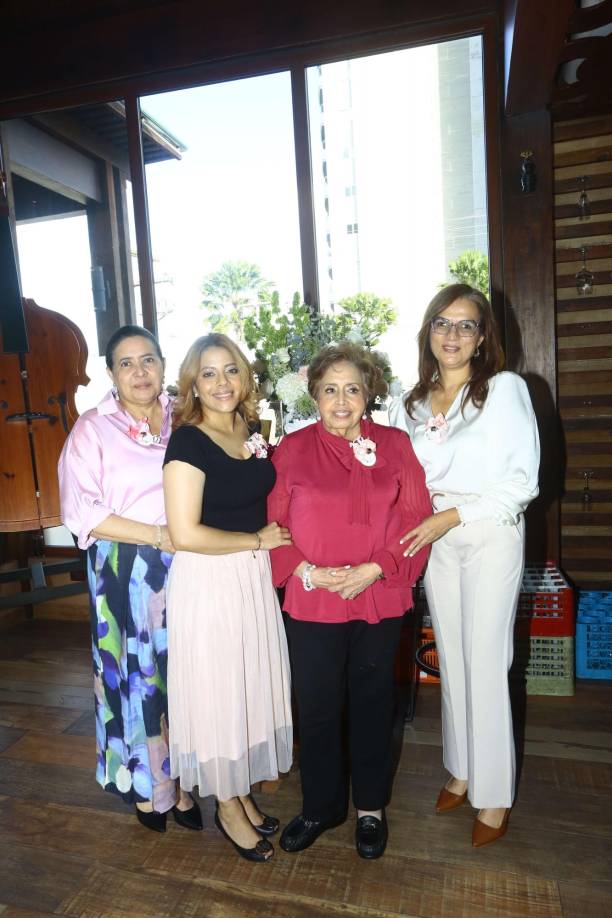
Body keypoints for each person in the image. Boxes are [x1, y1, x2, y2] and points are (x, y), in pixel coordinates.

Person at [389, 283, 540, 847]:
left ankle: (494, 794)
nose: (452, 335)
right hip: (436, 541)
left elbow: (522, 482)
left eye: (466, 325)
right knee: (450, 658)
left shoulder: (504, 390)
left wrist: (450, 515)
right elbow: (403, 482)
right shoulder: (411, 401)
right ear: (428, 332)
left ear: (482, 338)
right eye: (441, 323)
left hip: (490, 534)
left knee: (485, 662)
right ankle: (462, 768)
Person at [267, 342, 431, 860]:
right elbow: (273, 527)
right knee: (316, 708)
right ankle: (319, 806)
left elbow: (416, 518)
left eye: (352, 389)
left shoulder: (396, 444)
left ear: (369, 394)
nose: (342, 401)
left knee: (373, 704)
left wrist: (376, 567)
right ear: (313, 394)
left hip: (378, 594)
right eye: (330, 390)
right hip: (313, 598)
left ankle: (370, 810)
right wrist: (309, 571)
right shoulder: (290, 449)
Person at [58, 324, 201, 833]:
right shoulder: (92, 428)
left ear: (164, 364)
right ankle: (148, 788)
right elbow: (84, 512)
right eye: (126, 363)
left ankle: (182, 782)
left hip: (188, 565)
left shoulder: (186, 416)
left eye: (148, 360)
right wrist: (156, 533)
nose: (140, 372)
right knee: (139, 681)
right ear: (111, 373)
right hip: (125, 569)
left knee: (184, 678)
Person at [162, 333, 293, 863]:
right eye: (209, 373)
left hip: (250, 577)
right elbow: (185, 532)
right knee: (217, 691)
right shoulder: (187, 442)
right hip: (211, 579)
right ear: (193, 382)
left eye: (230, 371)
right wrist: (255, 541)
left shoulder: (249, 428)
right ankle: (227, 805)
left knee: (243, 685)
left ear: (245, 377)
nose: (221, 383)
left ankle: (240, 789)